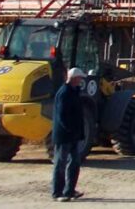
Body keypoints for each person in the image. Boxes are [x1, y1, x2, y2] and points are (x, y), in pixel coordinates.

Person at [52, 67, 86, 202]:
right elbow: (62, 116)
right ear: (74, 78)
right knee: (60, 163)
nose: (81, 80)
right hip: (64, 135)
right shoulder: (64, 93)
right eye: (80, 78)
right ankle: (57, 193)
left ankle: (70, 190)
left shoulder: (74, 92)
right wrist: (70, 130)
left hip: (74, 135)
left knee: (74, 163)